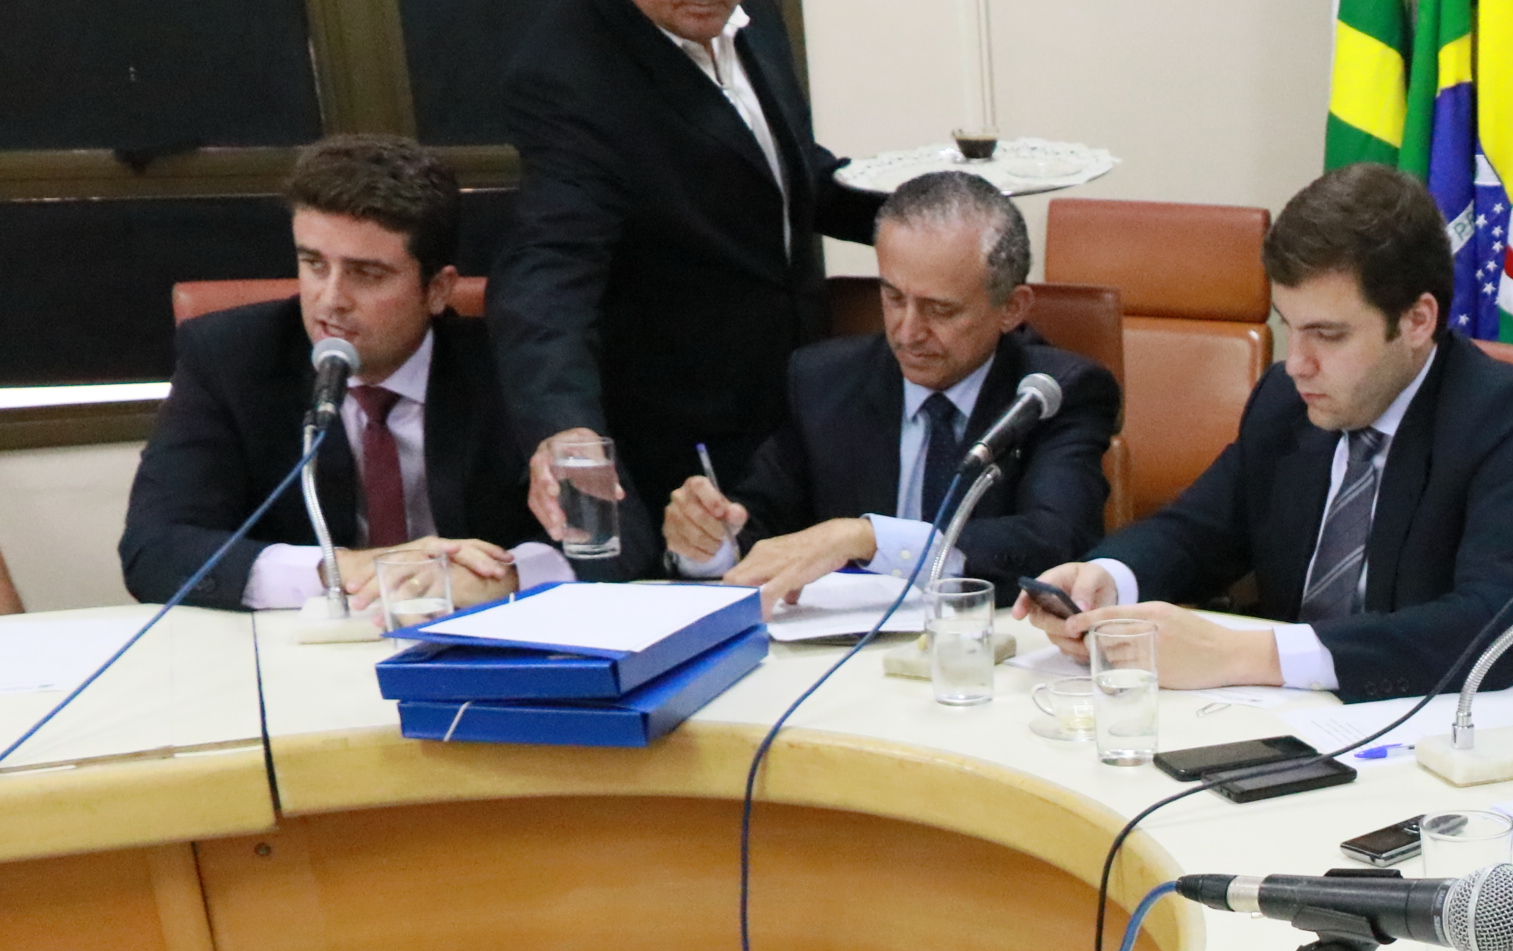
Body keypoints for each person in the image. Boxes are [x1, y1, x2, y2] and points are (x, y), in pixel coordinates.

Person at [1020, 164, 1513, 700]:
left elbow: (1493, 622)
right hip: (1303, 720)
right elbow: (1197, 531)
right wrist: (1106, 581)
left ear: (1418, 320)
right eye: (1289, 327)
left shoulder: (1508, 417)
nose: (1297, 364)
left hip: (1476, 735)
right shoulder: (1285, 400)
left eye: (1329, 335)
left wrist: (1245, 654)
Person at [119, 136, 595, 613]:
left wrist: (504, 577)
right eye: (314, 264)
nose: (330, 300)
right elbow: (154, 548)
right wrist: (345, 568)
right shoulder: (232, 357)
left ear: (437, 289)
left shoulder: (513, 366)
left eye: (366, 274)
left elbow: (607, 531)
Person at [492, 0, 881, 545]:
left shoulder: (749, 16)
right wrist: (564, 425)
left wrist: (929, 211)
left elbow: (779, 171)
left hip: (796, 403)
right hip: (688, 435)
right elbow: (549, 268)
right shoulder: (567, 67)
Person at [659, 173, 1117, 607]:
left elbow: (1058, 541)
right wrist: (708, 543)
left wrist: (869, 538)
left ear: (1012, 308)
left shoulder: (1055, 394)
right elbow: (758, 525)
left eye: (940, 309)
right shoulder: (823, 380)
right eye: (893, 297)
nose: (907, 332)